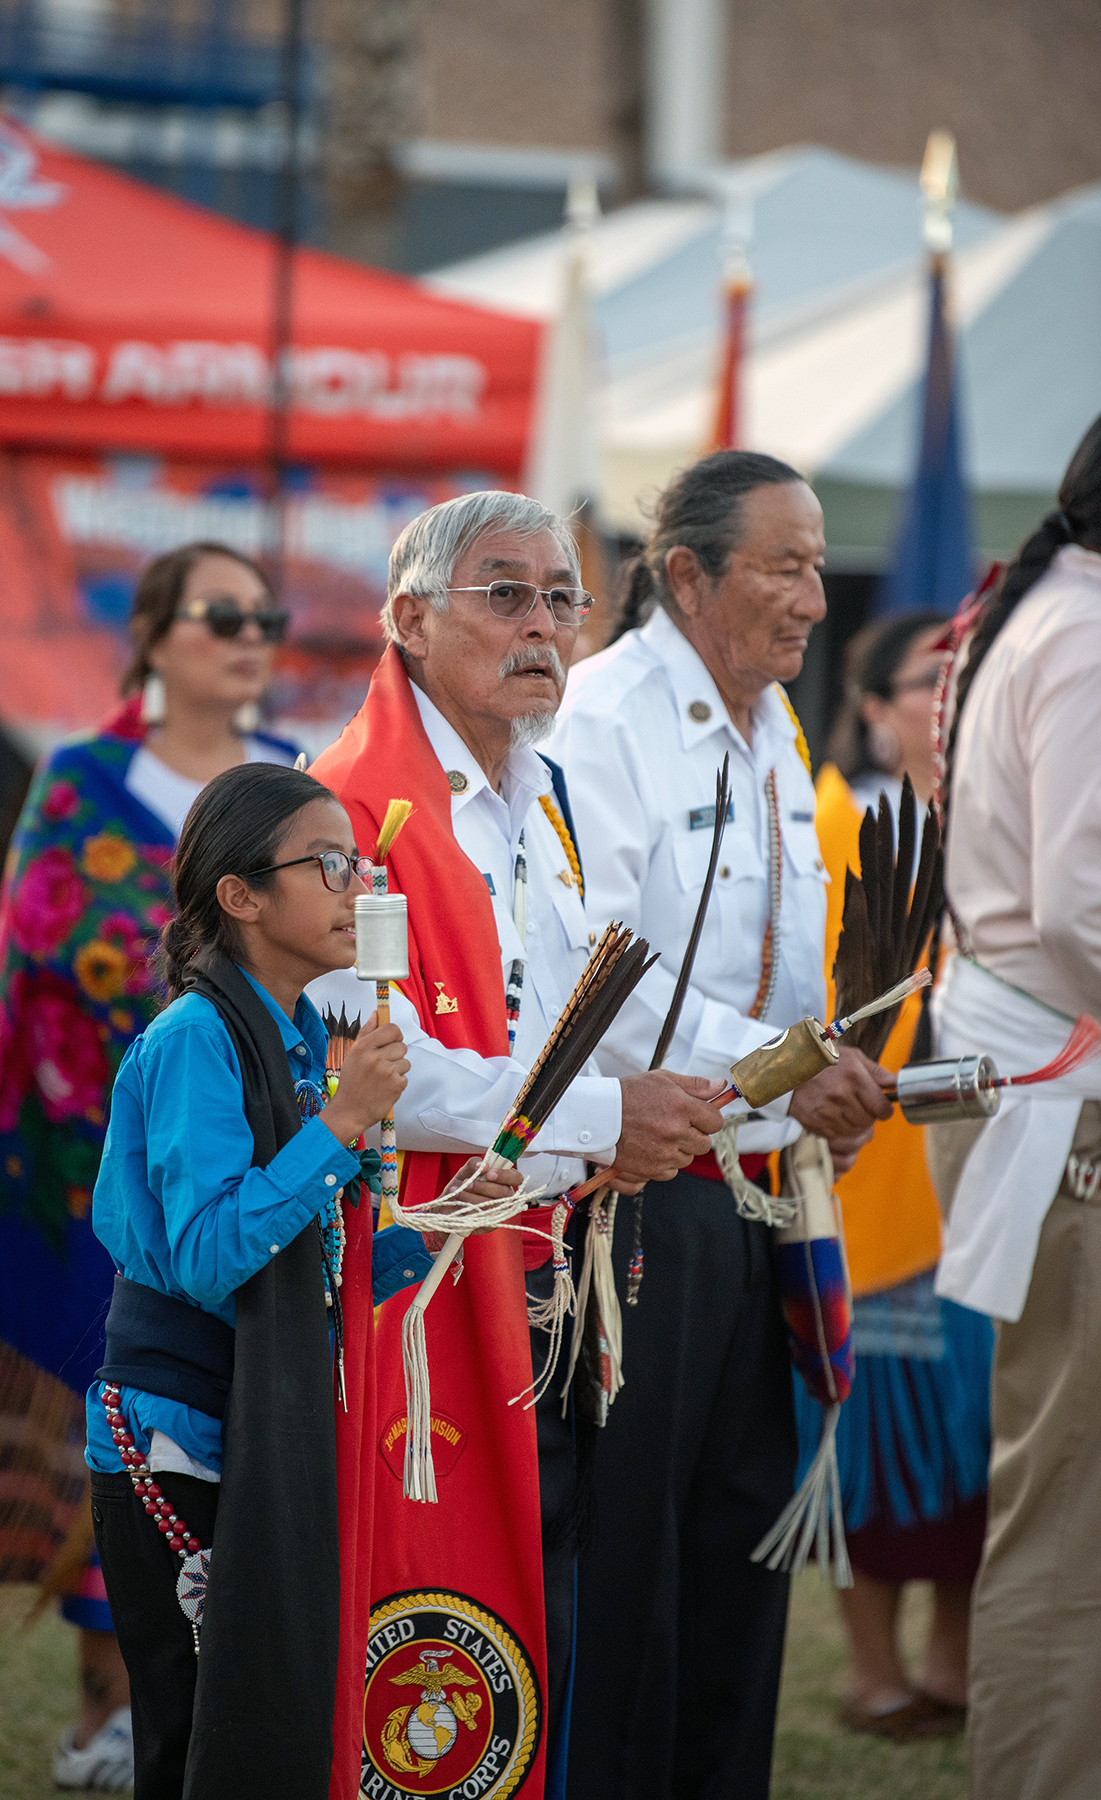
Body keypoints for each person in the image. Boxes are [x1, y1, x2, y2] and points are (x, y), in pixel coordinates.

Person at [310, 489, 726, 1800]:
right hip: (409, 1282)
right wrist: (607, 1117)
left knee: (561, 1581)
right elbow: (372, 1070)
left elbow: (592, 1014)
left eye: (562, 596)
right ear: (408, 620)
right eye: (506, 593)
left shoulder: (540, 797)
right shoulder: (344, 812)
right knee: (432, 1608)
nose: (543, 624)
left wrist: (766, 1075)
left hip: (549, 1259)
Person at [549, 451, 896, 1800]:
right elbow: (603, 967)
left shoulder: (768, 724)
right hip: (639, 1196)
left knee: (740, 1554)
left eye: (816, 564)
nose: (814, 595)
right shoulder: (606, 715)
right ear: (685, 573)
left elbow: (786, 982)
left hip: (755, 1197)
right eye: (786, 565)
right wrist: (776, 1072)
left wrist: (831, 1085)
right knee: (630, 1565)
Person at [87, 760, 517, 1798]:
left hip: (253, 1413)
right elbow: (207, 1255)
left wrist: (452, 1225)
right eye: (328, 865)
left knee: (269, 1708)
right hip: (179, 1425)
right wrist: (340, 1122)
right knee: (205, 1732)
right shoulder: (197, 1038)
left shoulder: (290, 1038)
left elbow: (307, 1264)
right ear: (239, 896)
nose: (356, 887)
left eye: (359, 863)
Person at [0, 541, 297, 1791]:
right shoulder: (83, 781)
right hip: (89, 1167)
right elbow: (35, 950)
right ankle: (105, 1705)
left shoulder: (289, 787)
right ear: (157, 634)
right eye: (221, 613)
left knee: (233, 1417)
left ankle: (210, 1684)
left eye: (265, 613)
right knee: (113, 1419)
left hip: (257, 1150)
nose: (250, 632)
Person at [930, 415, 1101, 1800]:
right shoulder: (1086, 631)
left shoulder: (1049, 613)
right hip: (1063, 1094)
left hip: (1036, 1075)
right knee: (1070, 1507)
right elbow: (1081, 902)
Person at [806, 612, 992, 1739]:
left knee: (980, 1434)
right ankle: (870, 1666)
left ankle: (956, 1660)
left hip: (980, 1175)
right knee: (866, 1440)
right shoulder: (826, 824)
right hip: (867, 1179)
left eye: (960, 678)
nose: (944, 698)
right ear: (872, 708)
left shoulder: (999, 822)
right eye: (926, 680)